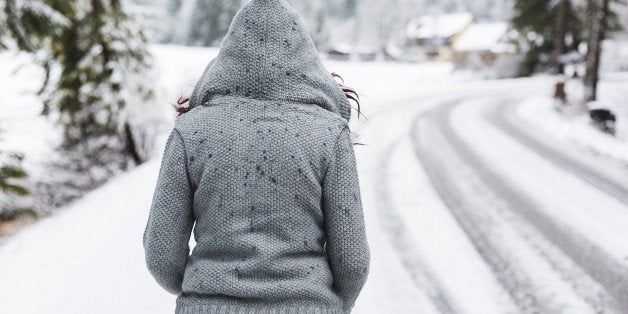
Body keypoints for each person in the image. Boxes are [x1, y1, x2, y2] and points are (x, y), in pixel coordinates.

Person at [142, 0, 370, 313]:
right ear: (306, 59)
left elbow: (160, 252)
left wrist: (208, 293)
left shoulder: (192, 130)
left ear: (228, 57)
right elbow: (353, 261)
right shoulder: (328, 134)